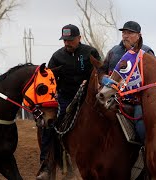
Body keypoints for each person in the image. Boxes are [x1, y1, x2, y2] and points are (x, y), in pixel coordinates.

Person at [37, 24, 101, 179]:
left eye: (71, 40)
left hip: (88, 98)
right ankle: (46, 165)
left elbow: (100, 72)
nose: (67, 43)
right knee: (48, 125)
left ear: (79, 38)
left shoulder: (90, 52)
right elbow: (50, 80)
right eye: (65, 40)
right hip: (65, 98)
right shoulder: (57, 56)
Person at [99, 21, 155, 143]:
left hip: (137, 100)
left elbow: (152, 77)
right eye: (124, 33)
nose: (125, 36)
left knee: (141, 128)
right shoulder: (113, 51)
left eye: (130, 33)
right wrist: (103, 78)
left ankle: (144, 149)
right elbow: (102, 70)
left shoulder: (146, 52)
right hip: (113, 97)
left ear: (139, 35)